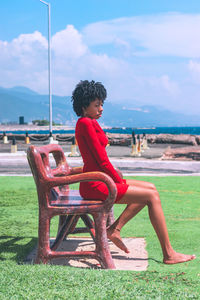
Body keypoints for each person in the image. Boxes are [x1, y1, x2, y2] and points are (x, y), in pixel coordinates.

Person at [71, 80, 196, 264]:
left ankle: (115, 229)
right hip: (96, 184)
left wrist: (115, 179)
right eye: (97, 105)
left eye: (102, 104)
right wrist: (117, 181)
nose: (101, 108)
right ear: (84, 106)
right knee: (150, 197)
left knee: (151, 189)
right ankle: (168, 254)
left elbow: (100, 159)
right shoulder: (85, 123)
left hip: (100, 179)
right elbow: (101, 160)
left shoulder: (89, 122)